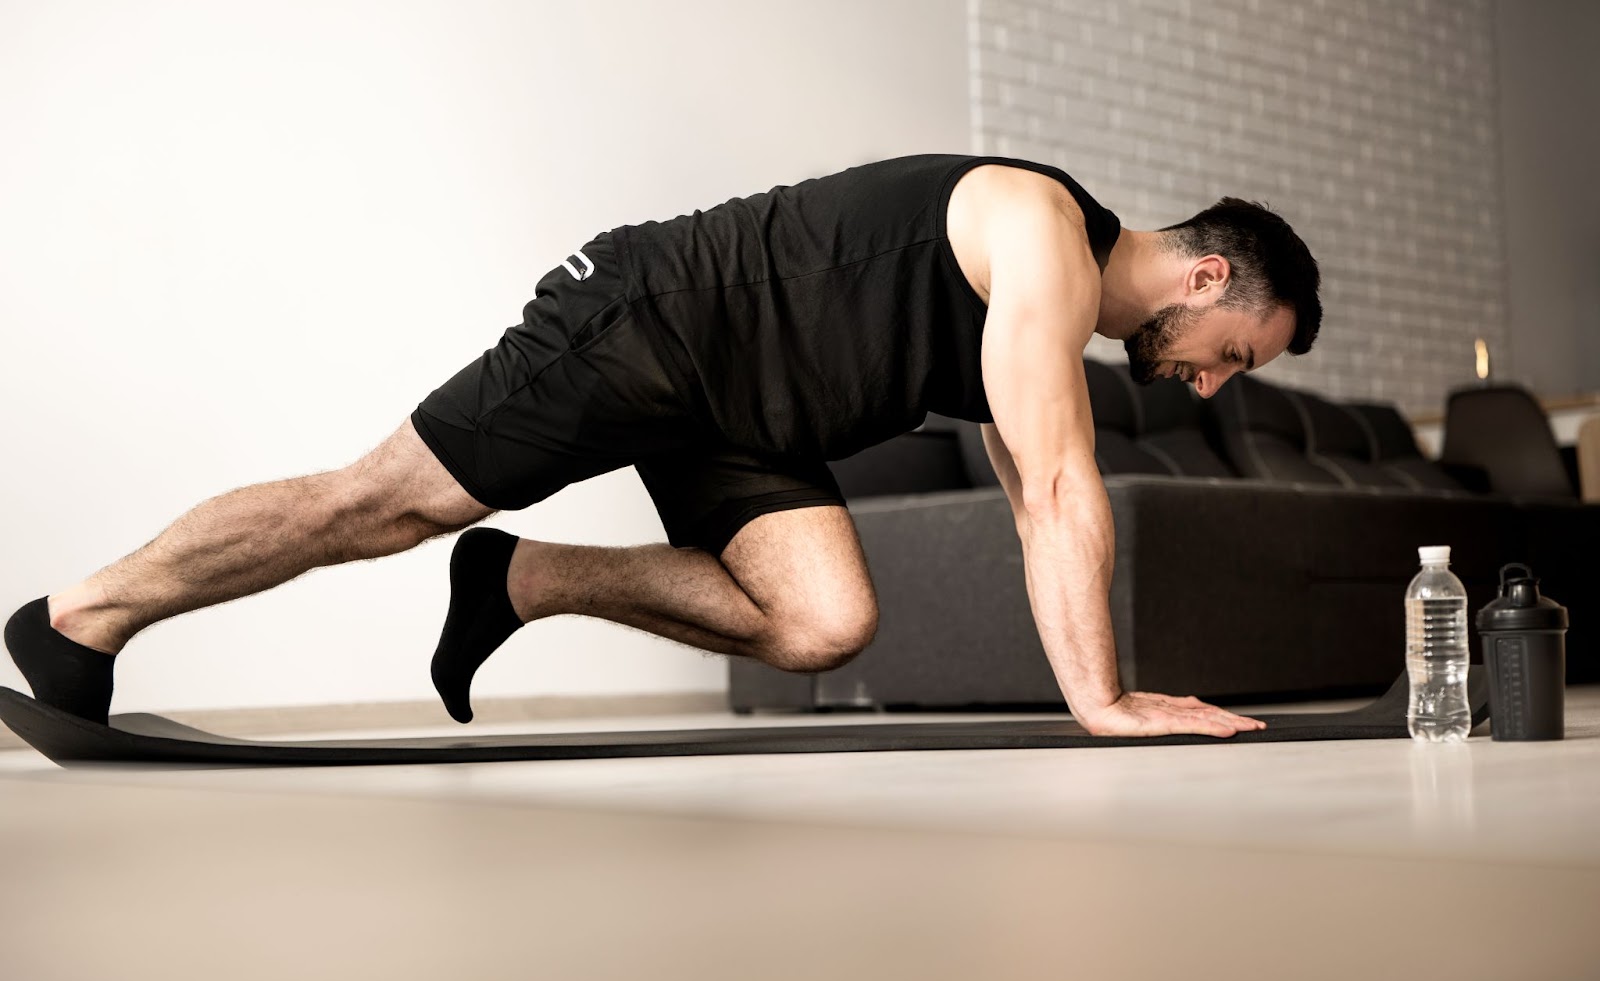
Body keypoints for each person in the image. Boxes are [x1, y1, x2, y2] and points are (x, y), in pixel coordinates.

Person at [4, 153, 1320, 738]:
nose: (1211, 387)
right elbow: (1060, 480)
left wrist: (1093, 687)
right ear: (1205, 274)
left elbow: (1035, 500)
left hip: (746, 418)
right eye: (1236, 355)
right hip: (653, 322)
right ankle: (76, 617)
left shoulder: (1041, 304)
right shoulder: (1041, 231)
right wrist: (1102, 700)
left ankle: (517, 580)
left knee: (822, 621)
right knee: (382, 502)